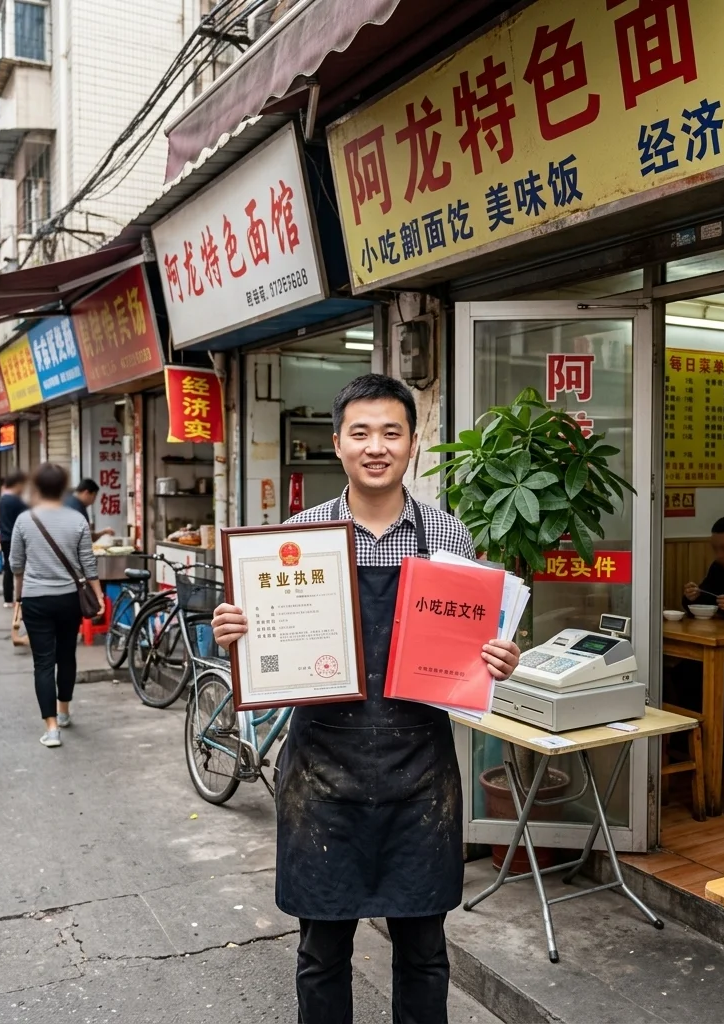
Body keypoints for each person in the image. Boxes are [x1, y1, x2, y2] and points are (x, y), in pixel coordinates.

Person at [212, 374, 520, 1024]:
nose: (375, 446)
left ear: (412, 443)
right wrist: (236, 635)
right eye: (361, 433)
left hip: (420, 780)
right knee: (322, 952)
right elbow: (265, 649)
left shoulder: (448, 537)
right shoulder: (297, 540)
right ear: (337, 444)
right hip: (322, 780)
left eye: (391, 432)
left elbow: (471, 654)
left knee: (425, 951)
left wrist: (497, 661)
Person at [10, 462, 103, 748]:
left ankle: (51, 729)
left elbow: (16, 564)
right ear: (65, 488)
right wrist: (98, 595)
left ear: (36, 487)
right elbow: (88, 564)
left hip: (36, 599)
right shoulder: (77, 520)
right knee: (67, 654)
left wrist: (18, 597)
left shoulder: (24, 520)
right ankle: (63, 712)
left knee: (43, 663)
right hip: (68, 600)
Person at [0, 471, 29, 608]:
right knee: (17, 568)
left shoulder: (3, 499)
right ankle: (19, 597)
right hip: (15, 537)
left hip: (4, 536)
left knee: (8, 567)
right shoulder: (17, 501)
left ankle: (7, 599)